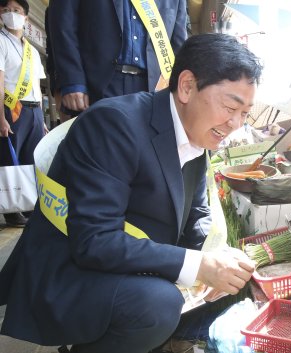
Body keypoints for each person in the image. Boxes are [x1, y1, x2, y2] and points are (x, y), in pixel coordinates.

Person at [0, 33, 262, 353]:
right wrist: (197, 265)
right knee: (157, 306)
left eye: (245, 113)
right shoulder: (115, 124)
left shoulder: (198, 137)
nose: (235, 123)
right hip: (70, 269)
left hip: (128, 263)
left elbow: (197, 216)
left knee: (233, 286)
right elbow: (94, 241)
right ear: (187, 86)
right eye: (230, 106)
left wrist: (216, 259)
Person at [47, 0, 188, 116]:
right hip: (99, 85)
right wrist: (72, 80)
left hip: (151, 90)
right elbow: (63, 23)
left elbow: (179, 46)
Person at [0, 0, 47, 227]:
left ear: (26, 18)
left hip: (33, 110)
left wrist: (41, 117)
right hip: (12, 109)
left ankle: (28, 204)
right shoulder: (0, 41)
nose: (11, 14)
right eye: (6, 10)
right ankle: (11, 209)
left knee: (31, 159)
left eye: (16, 11)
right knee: (10, 159)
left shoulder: (32, 51)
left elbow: (37, 85)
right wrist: (0, 116)